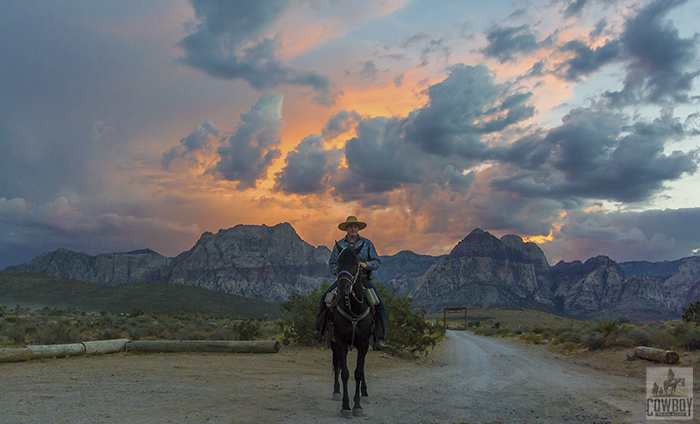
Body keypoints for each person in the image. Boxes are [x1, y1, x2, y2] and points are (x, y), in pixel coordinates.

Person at [312, 216, 387, 350]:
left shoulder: (367, 243)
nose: (353, 228)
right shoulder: (339, 245)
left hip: (363, 279)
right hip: (344, 280)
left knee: (379, 303)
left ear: (358, 229)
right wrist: (341, 273)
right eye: (350, 226)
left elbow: (377, 262)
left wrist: (366, 264)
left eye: (355, 226)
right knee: (325, 298)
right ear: (346, 229)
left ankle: (379, 337)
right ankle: (319, 330)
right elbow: (332, 263)